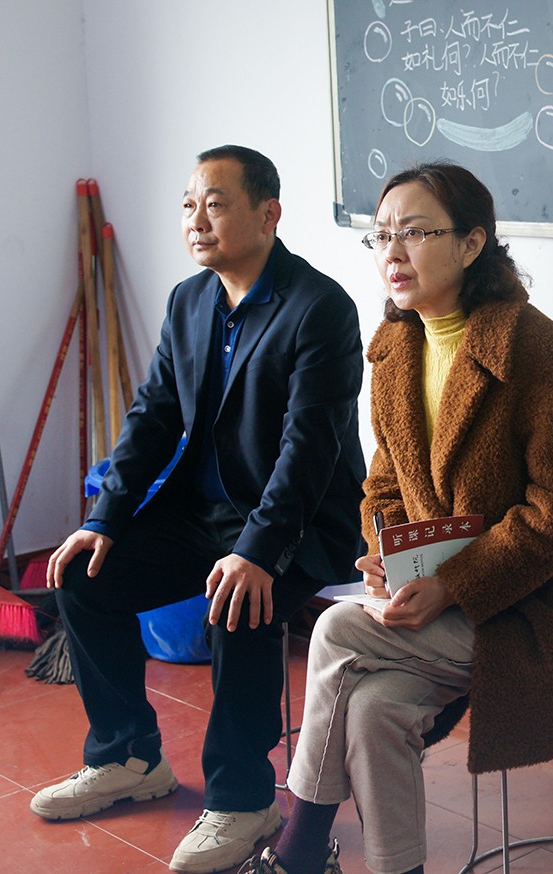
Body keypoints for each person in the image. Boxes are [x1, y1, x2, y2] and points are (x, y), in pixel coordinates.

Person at [238, 161, 553, 874]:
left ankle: (298, 853)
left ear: (472, 243)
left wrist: (453, 583)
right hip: (437, 608)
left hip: (540, 606)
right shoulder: (395, 348)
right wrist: (387, 556)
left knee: (336, 628)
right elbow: (383, 485)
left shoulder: (529, 343)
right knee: (373, 709)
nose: (393, 252)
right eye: (381, 235)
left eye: (416, 233)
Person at [33, 145, 367, 874]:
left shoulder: (320, 308)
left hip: (298, 520)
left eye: (215, 204)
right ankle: (127, 757)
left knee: (239, 599)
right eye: (189, 205)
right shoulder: (190, 300)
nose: (196, 220)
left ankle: (244, 800)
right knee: (84, 577)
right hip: (206, 513)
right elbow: (153, 416)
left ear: (269, 214)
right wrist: (103, 519)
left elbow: (308, 449)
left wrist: (257, 552)